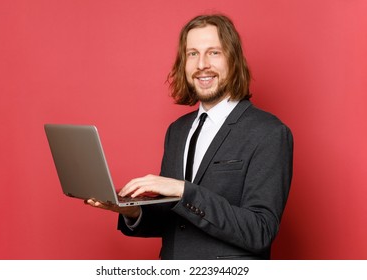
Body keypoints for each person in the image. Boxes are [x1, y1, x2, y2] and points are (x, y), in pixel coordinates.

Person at [86, 14, 293, 260]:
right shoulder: (178, 131)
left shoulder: (268, 132)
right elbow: (175, 222)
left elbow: (260, 231)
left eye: (214, 52)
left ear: (233, 60)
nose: (202, 64)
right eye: (193, 54)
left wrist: (184, 190)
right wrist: (129, 210)